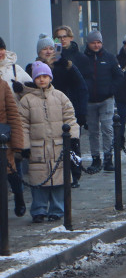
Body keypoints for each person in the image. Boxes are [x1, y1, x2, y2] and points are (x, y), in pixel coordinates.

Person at [19, 62, 80, 223]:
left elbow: (70, 118)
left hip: (58, 147)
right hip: (37, 148)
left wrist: (73, 138)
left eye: (45, 76)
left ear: (50, 78)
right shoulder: (27, 100)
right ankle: (38, 210)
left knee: (59, 180)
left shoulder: (60, 97)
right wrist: (25, 146)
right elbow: (23, 124)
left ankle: (57, 209)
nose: (42, 79)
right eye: (38, 77)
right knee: (38, 180)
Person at [27, 35, 87, 188]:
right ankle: (48, 177)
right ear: (39, 51)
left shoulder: (66, 65)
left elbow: (81, 87)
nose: (48, 51)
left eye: (50, 48)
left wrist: (81, 112)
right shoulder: (31, 68)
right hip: (40, 113)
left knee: (70, 144)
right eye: (44, 49)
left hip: (63, 110)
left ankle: (74, 175)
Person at [75, 30, 123, 173]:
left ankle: (108, 158)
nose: (96, 45)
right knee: (93, 131)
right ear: (88, 43)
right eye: (93, 42)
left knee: (107, 129)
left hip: (106, 99)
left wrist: (111, 90)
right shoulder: (83, 59)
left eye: (98, 42)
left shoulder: (109, 58)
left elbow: (119, 76)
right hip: (89, 101)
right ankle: (96, 158)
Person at [0, 76, 26, 216]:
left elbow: (13, 116)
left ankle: (19, 197)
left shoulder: (2, 85)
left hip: (3, 140)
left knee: (11, 174)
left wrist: (17, 145)